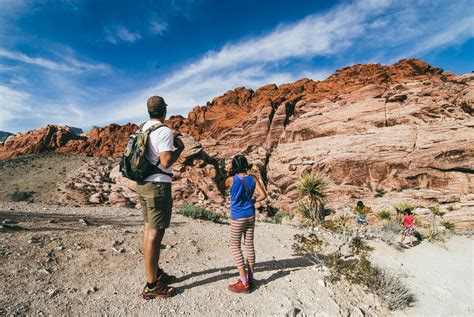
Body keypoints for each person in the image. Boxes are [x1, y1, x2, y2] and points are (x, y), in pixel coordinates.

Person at [137, 96, 185, 299]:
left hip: (143, 185)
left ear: (149, 111)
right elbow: (165, 162)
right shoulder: (164, 131)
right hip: (158, 186)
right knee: (155, 236)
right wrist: (180, 148)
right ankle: (151, 285)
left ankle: (155, 273)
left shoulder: (142, 129)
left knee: (149, 230)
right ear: (164, 111)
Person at [224, 155, 267, 293]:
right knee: (249, 245)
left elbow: (223, 186)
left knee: (234, 245)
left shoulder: (231, 180)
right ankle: (250, 278)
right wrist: (253, 201)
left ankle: (243, 281)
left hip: (238, 217)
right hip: (250, 215)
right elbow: (263, 195)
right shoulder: (253, 178)